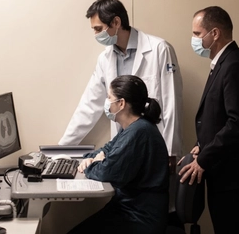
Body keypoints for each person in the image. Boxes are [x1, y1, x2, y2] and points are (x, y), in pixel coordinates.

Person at [58, 0, 182, 214]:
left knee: (151, 208)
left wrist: (171, 152)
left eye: (98, 28)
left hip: (154, 149)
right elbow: (89, 105)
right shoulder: (105, 58)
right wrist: (61, 149)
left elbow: (171, 102)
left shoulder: (159, 49)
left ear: (116, 22)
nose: (96, 35)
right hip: (127, 147)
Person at [179, 6, 239, 234]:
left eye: (197, 34)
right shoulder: (223, 63)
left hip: (232, 175)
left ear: (214, 33)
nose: (194, 40)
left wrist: (204, 159)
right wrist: (201, 146)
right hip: (223, 170)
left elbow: (238, 123)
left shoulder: (235, 65)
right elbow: (218, 117)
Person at [68, 75, 169, 234]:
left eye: (109, 98)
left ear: (121, 104)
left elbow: (108, 171)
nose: (107, 102)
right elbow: (106, 150)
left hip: (139, 217)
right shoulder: (132, 128)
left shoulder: (138, 132)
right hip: (127, 208)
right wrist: (94, 158)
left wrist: (93, 164)